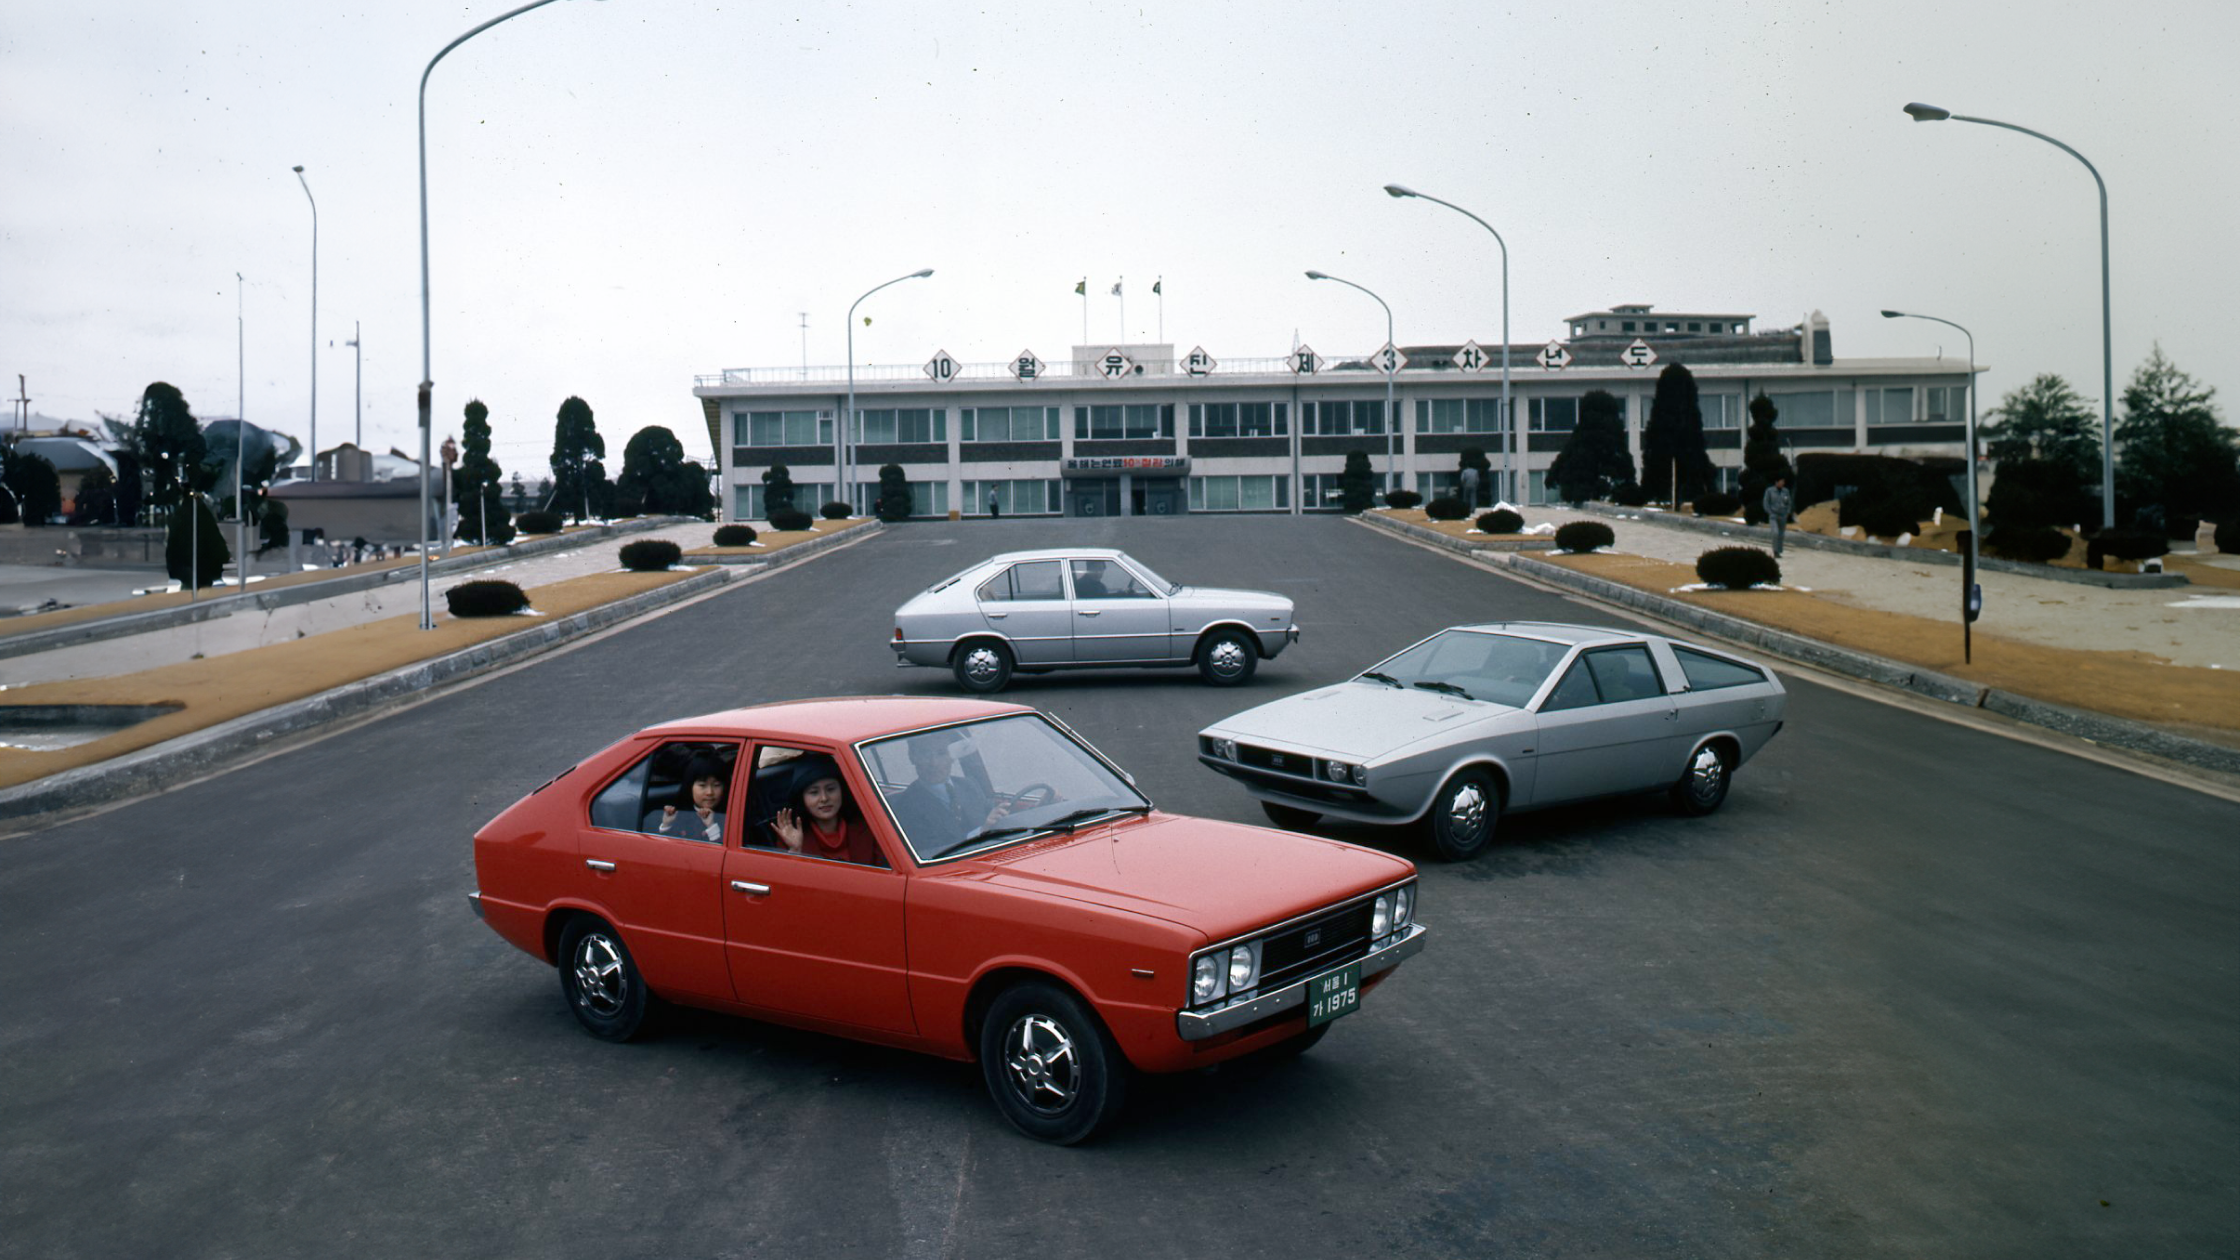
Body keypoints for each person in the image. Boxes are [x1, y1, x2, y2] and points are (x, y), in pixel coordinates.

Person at [893, 735, 1009, 852]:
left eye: (942, 753)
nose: (934, 763)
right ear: (913, 757)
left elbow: (988, 810)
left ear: (952, 757)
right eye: (925, 754)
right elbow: (933, 852)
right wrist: (981, 832)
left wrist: (1003, 811)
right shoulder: (905, 805)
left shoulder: (968, 784)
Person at [769, 754, 886, 867]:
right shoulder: (790, 837)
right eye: (814, 792)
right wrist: (795, 851)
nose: (824, 798)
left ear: (842, 791)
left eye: (830, 789)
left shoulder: (868, 828)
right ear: (802, 798)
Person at [655, 751, 728, 842]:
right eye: (702, 785)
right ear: (690, 786)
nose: (710, 792)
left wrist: (712, 826)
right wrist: (666, 825)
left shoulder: (730, 816)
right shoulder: (679, 814)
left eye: (716, 785)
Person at [1763, 474, 1794, 558]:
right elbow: (1766, 503)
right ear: (1776, 482)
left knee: (1781, 534)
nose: (1782, 483)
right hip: (1773, 515)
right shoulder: (1769, 491)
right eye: (1781, 481)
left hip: (1783, 516)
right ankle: (1775, 551)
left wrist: (1787, 512)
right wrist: (1770, 512)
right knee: (1775, 533)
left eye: (1783, 481)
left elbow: (1789, 503)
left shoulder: (1786, 491)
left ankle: (1778, 551)